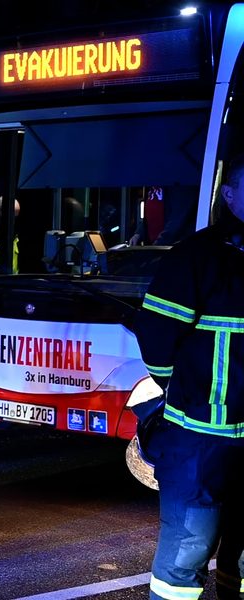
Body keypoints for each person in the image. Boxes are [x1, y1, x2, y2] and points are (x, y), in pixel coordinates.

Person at [133, 155, 244, 600]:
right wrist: (186, 390)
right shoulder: (197, 256)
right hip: (200, 435)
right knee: (187, 552)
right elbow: (157, 339)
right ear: (230, 195)